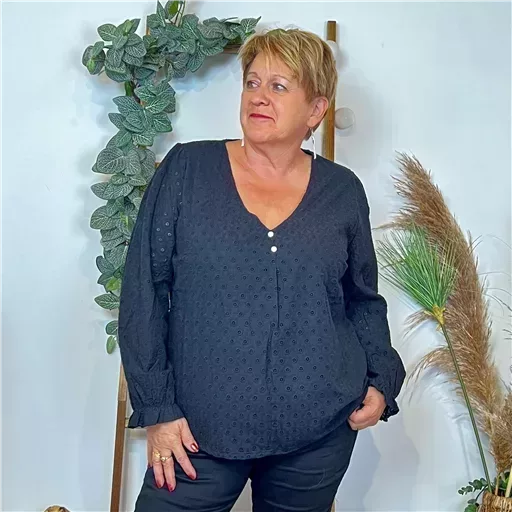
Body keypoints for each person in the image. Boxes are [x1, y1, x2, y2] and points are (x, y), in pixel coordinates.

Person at [118, 27, 406, 512]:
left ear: (315, 110)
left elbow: (361, 299)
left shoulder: (342, 191)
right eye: (252, 83)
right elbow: (143, 292)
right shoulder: (188, 170)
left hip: (317, 433)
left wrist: (381, 379)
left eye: (279, 86)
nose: (258, 96)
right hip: (196, 432)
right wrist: (159, 409)